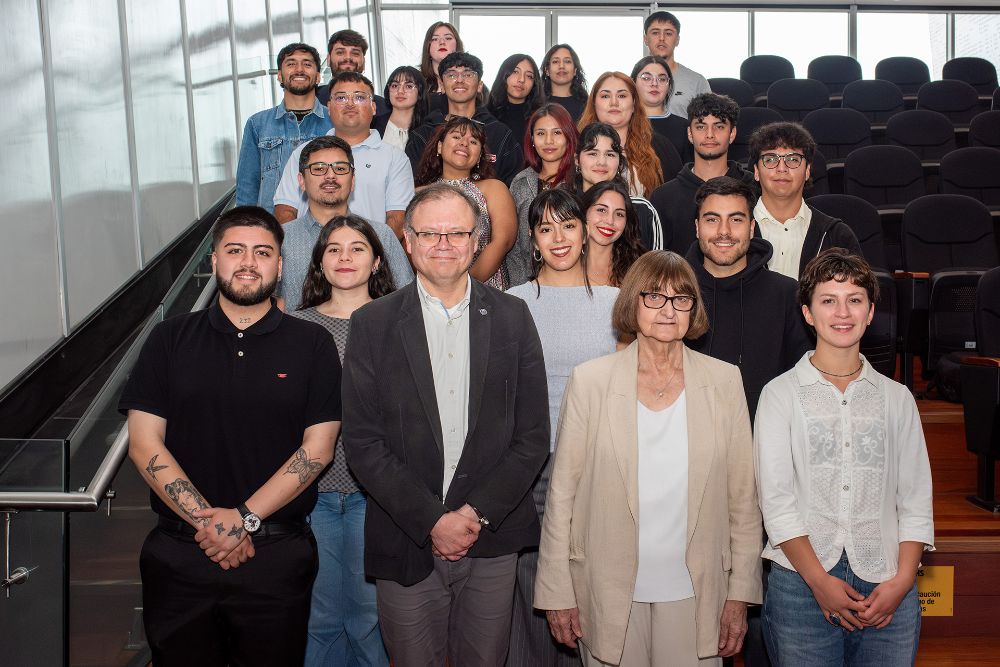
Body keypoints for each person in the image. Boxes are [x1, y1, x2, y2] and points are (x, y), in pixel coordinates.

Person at [119, 206, 342, 666]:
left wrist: (243, 519)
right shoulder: (169, 338)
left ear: (280, 266)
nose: (248, 262)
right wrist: (211, 522)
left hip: (277, 552)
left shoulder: (312, 344)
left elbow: (317, 450)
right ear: (215, 260)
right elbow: (144, 445)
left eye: (263, 253)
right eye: (234, 250)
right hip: (179, 553)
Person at [341, 183, 550, 666]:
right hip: (405, 535)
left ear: (477, 239)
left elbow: (533, 435)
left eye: (457, 232)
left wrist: (473, 516)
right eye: (430, 233)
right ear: (407, 242)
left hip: (491, 536)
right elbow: (363, 443)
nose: (444, 244)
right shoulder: (372, 323)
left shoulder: (513, 315)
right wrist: (432, 519)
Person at [535, 250, 763, 666]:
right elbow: (561, 495)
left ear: (693, 309)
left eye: (681, 299)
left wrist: (741, 592)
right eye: (654, 296)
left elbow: (743, 501)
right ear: (631, 303)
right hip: (606, 587)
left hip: (697, 590)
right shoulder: (591, 382)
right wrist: (556, 591)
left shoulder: (724, 381)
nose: (667, 309)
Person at [754, 248, 934, 667]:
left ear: (870, 312)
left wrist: (904, 581)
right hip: (801, 585)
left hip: (888, 584)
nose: (842, 312)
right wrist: (819, 582)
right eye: (828, 300)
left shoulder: (897, 397)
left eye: (854, 300)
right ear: (807, 312)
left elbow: (915, 498)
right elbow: (776, 503)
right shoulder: (780, 394)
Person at [506, 189, 619, 666]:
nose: (559, 238)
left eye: (568, 226)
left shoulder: (617, 303)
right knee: (533, 596)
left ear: (586, 232)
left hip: (596, 467)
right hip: (531, 469)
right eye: (546, 228)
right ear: (532, 239)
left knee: (591, 592)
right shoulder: (512, 302)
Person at [293, 214, 395, 667]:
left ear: (376, 261)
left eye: (357, 248)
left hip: (376, 494)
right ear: (319, 264)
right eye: (333, 249)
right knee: (320, 616)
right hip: (309, 493)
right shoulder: (294, 329)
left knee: (369, 615)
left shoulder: (400, 321)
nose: (345, 257)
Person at [685, 176, 809, 418]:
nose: (724, 232)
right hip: (690, 441)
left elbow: (803, 382)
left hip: (765, 441)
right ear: (697, 227)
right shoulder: (675, 295)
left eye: (736, 220)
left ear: (751, 228)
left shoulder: (786, 295)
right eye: (712, 220)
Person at [272, 72, 415, 239]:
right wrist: (299, 250)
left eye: (359, 97)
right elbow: (285, 209)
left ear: (373, 107)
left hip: (371, 256)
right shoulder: (304, 152)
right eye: (341, 98)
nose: (350, 104)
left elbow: (397, 218)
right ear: (329, 107)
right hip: (310, 254)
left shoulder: (395, 158)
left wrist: (373, 255)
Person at [278, 135, 412, 312]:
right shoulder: (280, 238)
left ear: (353, 180)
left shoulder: (381, 234)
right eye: (319, 169)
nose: (330, 176)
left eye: (340, 169)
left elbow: (407, 299)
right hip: (297, 339)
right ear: (301, 181)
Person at [414, 116, 516, 290]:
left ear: (479, 157)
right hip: (432, 291)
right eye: (456, 137)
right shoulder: (418, 195)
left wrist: (465, 287)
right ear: (439, 146)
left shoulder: (494, 188)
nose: (464, 143)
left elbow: (503, 241)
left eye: (473, 141)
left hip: (487, 290)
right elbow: (412, 244)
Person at [649, 93, 758, 255]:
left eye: (719, 126)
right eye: (701, 126)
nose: (709, 134)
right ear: (690, 133)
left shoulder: (754, 187)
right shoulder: (664, 197)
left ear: (732, 134)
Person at [748, 122, 861, 279]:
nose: (782, 168)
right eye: (771, 159)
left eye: (793, 159)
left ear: (807, 171)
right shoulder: (733, 230)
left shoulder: (837, 236)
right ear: (756, 171)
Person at [236, 43, 330, 211]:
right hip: (273, 230)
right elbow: (247, 187)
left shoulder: (335, 120)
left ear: (317, 77)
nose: (299, 69)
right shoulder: (257, 124)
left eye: (307, 64)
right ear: (279, 75)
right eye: (291, 64)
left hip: (326, 228)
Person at [407, 52, 523, 185]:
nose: (460, 80)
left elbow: (514, 186)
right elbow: (411, 187)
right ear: (442, 84)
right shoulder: (422, 135)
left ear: (480, 85)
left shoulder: (500, 134)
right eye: (451, 75)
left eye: (468, 74)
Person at [577, 72, 681, 197]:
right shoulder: (577, 144)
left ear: (634, 104)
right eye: (605, 96)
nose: (614, 102)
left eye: (622, 96)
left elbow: (674, 199)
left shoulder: (660, 148)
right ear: (594, 103)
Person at [508, 103, 578, 287]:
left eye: (557, 133)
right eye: (540, 133)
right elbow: (514, 247)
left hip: (575, 283)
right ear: (531, 139)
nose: (548, 141)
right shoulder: (521, 181)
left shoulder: (581, 181)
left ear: (569, 137)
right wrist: (522, 290)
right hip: (527, 286)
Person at [574, 122, 662, 251]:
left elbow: (655, 268)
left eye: (610, 154)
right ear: (577, 160)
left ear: (620, 163)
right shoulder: (564, 207)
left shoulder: (642, 210)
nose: (601, 162)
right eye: (593, 153)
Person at [642, 11, 712, 119]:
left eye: (668, 33)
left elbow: (708, 123)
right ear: (645, 39)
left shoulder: (697, 81)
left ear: (677, 40)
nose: (662, 38)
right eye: (655, 33)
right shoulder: (632, 82)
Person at [581, 179, 646, 287]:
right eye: (601, 210)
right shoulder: (564, 263)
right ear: (584, 212)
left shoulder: (638, 271)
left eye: (619, 214)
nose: (610, 221)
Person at [631, 55, 692, 163]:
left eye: (662, 79)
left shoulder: (685, 127)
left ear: (669, 85)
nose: (654, 83)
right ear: (633, 82)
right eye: (646, 78)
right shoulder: (624, 124)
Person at [316, 29, 389, 115]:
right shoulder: (313, 100)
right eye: (340, 52)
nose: (348, 58)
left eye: (355, 53)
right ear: (328, 59)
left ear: (363, 61)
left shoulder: (384, 108)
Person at [488, 54, 546, 149]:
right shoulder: (485, 115)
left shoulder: (541, 118)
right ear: (503, 75)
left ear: (534, 84)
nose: (521, 80)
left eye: (529, 76)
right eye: (515, 72)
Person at [374, 66, 427, 153]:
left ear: (420, 92)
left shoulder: (428, 129)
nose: (400, 91)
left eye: (409, 86)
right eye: (395, 86)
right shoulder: (373, 125)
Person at [420, 21, 464, 114]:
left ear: (457, 44)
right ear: (427, 47)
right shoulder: (416, 82)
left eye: (448, 38)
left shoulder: (471, 81)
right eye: (435, 39)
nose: (442, 42)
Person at [541, 44, 588, 122]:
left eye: (567, 61)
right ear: (547, 70)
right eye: (555, 61)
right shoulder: (536, 102)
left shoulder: (587, 104)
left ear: (575, 70)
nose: (561, 66)